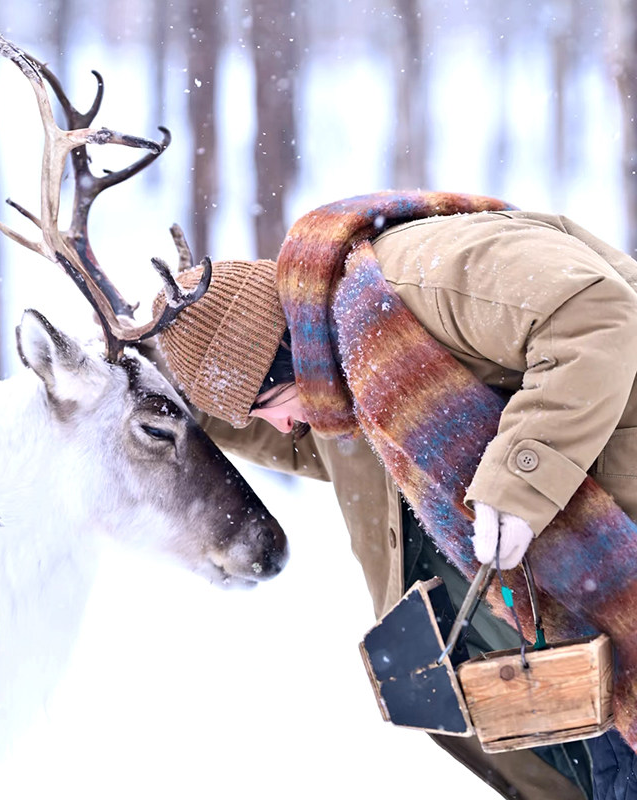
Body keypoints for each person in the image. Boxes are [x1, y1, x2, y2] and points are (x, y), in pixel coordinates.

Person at [151, 192, 637, 800]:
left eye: (266, 407)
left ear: (283, 358)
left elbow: (596, 313)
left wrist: (523, 480)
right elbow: (332, 448)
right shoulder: (347, 362)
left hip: (609, 605)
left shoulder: (418, 272)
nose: (279, 428)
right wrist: (149, 374)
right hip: (564, 661)